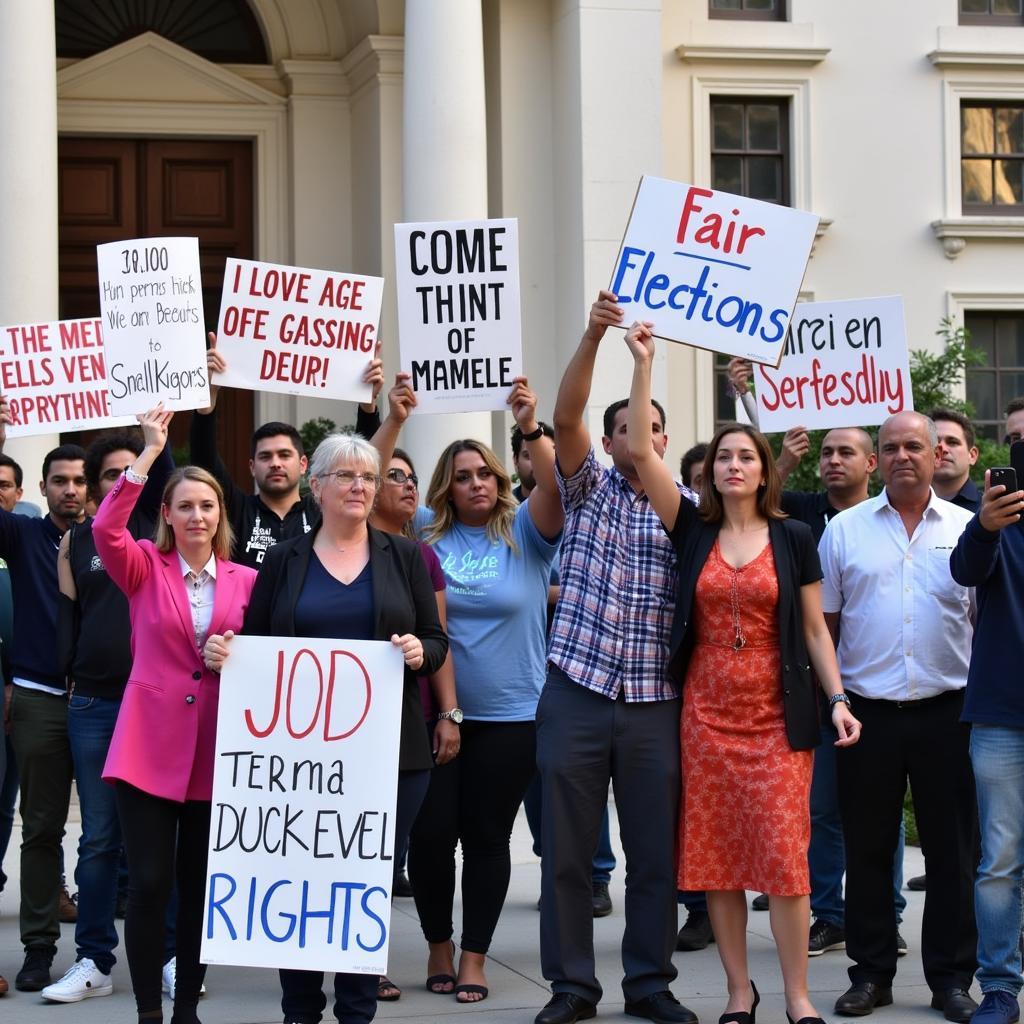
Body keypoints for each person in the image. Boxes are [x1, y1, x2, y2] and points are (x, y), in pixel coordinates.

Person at [625, 320, 860, 1024]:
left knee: (787, 862)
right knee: (717, 859)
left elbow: (816, 629)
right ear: (711, 471)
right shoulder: (690, 528)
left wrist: (840, 700)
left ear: (764, 470)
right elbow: (639, 449)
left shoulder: (793, 536)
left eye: (745, 457)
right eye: (723, 457)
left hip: (777, 718)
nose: (732, 466)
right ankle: (738, 993)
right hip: (705, 716)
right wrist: (643, 363)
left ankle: (796, 995)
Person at [204, 430, 448, 1024]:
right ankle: (300, 1011)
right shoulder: (285, 559)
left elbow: (439, 642)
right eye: (347, 476)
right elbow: (256, 642)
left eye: (369, 476)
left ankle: (358, 1011)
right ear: (318, 488)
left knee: (364, 880)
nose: (361, 486)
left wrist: (421, 650)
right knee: (300, 879)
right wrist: (226, 654)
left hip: (390, 754)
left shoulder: (406, 557)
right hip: (298, 761)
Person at [535, 292, 696, 1024]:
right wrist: (596, 334)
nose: (644, 440)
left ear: (666, 441)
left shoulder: (689, 508)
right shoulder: (588, 488)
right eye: (630, 428)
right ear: (610, 442)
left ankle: (649, 985)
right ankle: (572, 988)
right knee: (567, 856)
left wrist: (648, 365)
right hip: (577, 690)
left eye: (656, 430)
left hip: (655, 702)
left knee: (655, 855)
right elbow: (566, 417)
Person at [726, 358, 911, 954]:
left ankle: (889, 912)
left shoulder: (888, 522)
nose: (833, 459)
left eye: (846, 452)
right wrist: (750, 396)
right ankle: (830, 912)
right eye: (826, 451)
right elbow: (760, 486)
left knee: (881, 808)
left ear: (871, 464)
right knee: (824, 810)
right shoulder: (804, 514)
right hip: (819, 692)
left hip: (884, 689)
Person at [92, 405, 257, 1024]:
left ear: (220, 516)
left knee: (199, 890)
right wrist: (150, 450)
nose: (196, 516)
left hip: (218, 752)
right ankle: (147, 1013)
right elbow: (105, 530)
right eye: (184, 506)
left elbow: (269, 655)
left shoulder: (247, 581)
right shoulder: (140, 565)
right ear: (167, 514)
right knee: (151, 883)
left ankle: (185, 1006)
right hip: (146, 750)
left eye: (206, 506)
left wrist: (236, 653)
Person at [400, 378, 561, 1005]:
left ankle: (473, 957)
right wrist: (391, 416)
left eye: (485, 474)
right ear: (447, 485)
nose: (477, 484)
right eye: (463, 475)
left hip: (513, 715)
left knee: (489, 837)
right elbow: (373, 479)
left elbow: (557, 486)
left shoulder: (526, 531)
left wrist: (529, 427)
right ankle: (438, 945)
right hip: (436, 716)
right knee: (432, 835)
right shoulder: (421, 533)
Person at [820, 411, 979, 1023]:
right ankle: (871, 975)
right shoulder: (845, 531)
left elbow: (981, 624)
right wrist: (834, 701)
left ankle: (950, 980)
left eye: (916, 445)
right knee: (867, 850)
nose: (903, 455)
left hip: (950, 712)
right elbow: (827, 626)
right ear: (876, 460)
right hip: (868, 715)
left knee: (951, 853)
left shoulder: (967, 528)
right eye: (891, 447)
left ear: (937, 452)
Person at [41, 429, 173, 1003]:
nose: (128, 479)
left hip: (158, 703)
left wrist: (162, 440)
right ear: (99, 486)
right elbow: (70, 617)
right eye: (114, 473)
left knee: (163, 838)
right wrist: (69, 673)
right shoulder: (82, 540)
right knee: (98, 838)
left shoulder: (170, 536)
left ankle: (172, 956)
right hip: (94, 702)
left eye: (137, 469)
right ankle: (93, 959)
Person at [366, 376, 460, 1003]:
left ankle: (437, 947)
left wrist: (448, 712)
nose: (403, 483)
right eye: (390, 474)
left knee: (416, 844)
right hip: (344, 726)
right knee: (362, 849)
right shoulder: (318, 552)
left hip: (414, 722)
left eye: (409, 477)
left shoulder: (421, 558)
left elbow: (439, 640)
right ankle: (363, 959)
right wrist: (391, 419)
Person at [513, 420, 616, 920]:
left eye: (549, 452)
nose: (541, 462)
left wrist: (554, 593)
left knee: (587, 782)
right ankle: (554, 862)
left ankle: (597, 875)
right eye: (531, 454)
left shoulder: (585, 499)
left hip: (580, 667)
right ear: (518, 462)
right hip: (535, 672)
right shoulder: (510, 514)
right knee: (544, 785)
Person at [0, 429, 87, 992]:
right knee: (40, 829)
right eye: (60, 481)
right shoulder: (22, 534)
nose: (71, 491)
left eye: (81, 481)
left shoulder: (114, 537)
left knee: (111, 835)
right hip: (37, 699)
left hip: (104, 702)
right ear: (42, 487)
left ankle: (97, 953)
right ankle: (38, 949)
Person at [949, 414, 1024, 1024]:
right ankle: (1000, 987)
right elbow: (966, 572)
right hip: (1002, 711)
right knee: (999, 858)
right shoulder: (997, 517)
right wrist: (985, 526)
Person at [190, 336, 383, 568]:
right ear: (252, 467)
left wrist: (367, 407)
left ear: (303, 464)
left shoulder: (324, 508)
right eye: (265, 456)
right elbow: (205, 461)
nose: (275, 463)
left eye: (284, 455)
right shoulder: (237, 510)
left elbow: (363, 460)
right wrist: (207, 403)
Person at [931, 408, 981, 512]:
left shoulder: (990, 509)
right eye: (934, 442)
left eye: (952, 442)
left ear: (972, 455)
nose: (942, 449)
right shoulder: (904, 509)